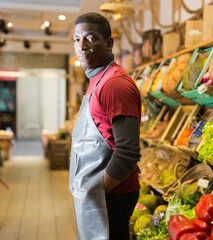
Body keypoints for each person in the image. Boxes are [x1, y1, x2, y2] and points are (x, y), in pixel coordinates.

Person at [69, 12, 141, 240]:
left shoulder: (114, 84)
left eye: (90, 38)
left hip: (113, 195)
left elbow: (127, 153)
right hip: (100, 192)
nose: (81, 46)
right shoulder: (97, 80)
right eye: (76, 39)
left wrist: (97, 191)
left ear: (109, 43)